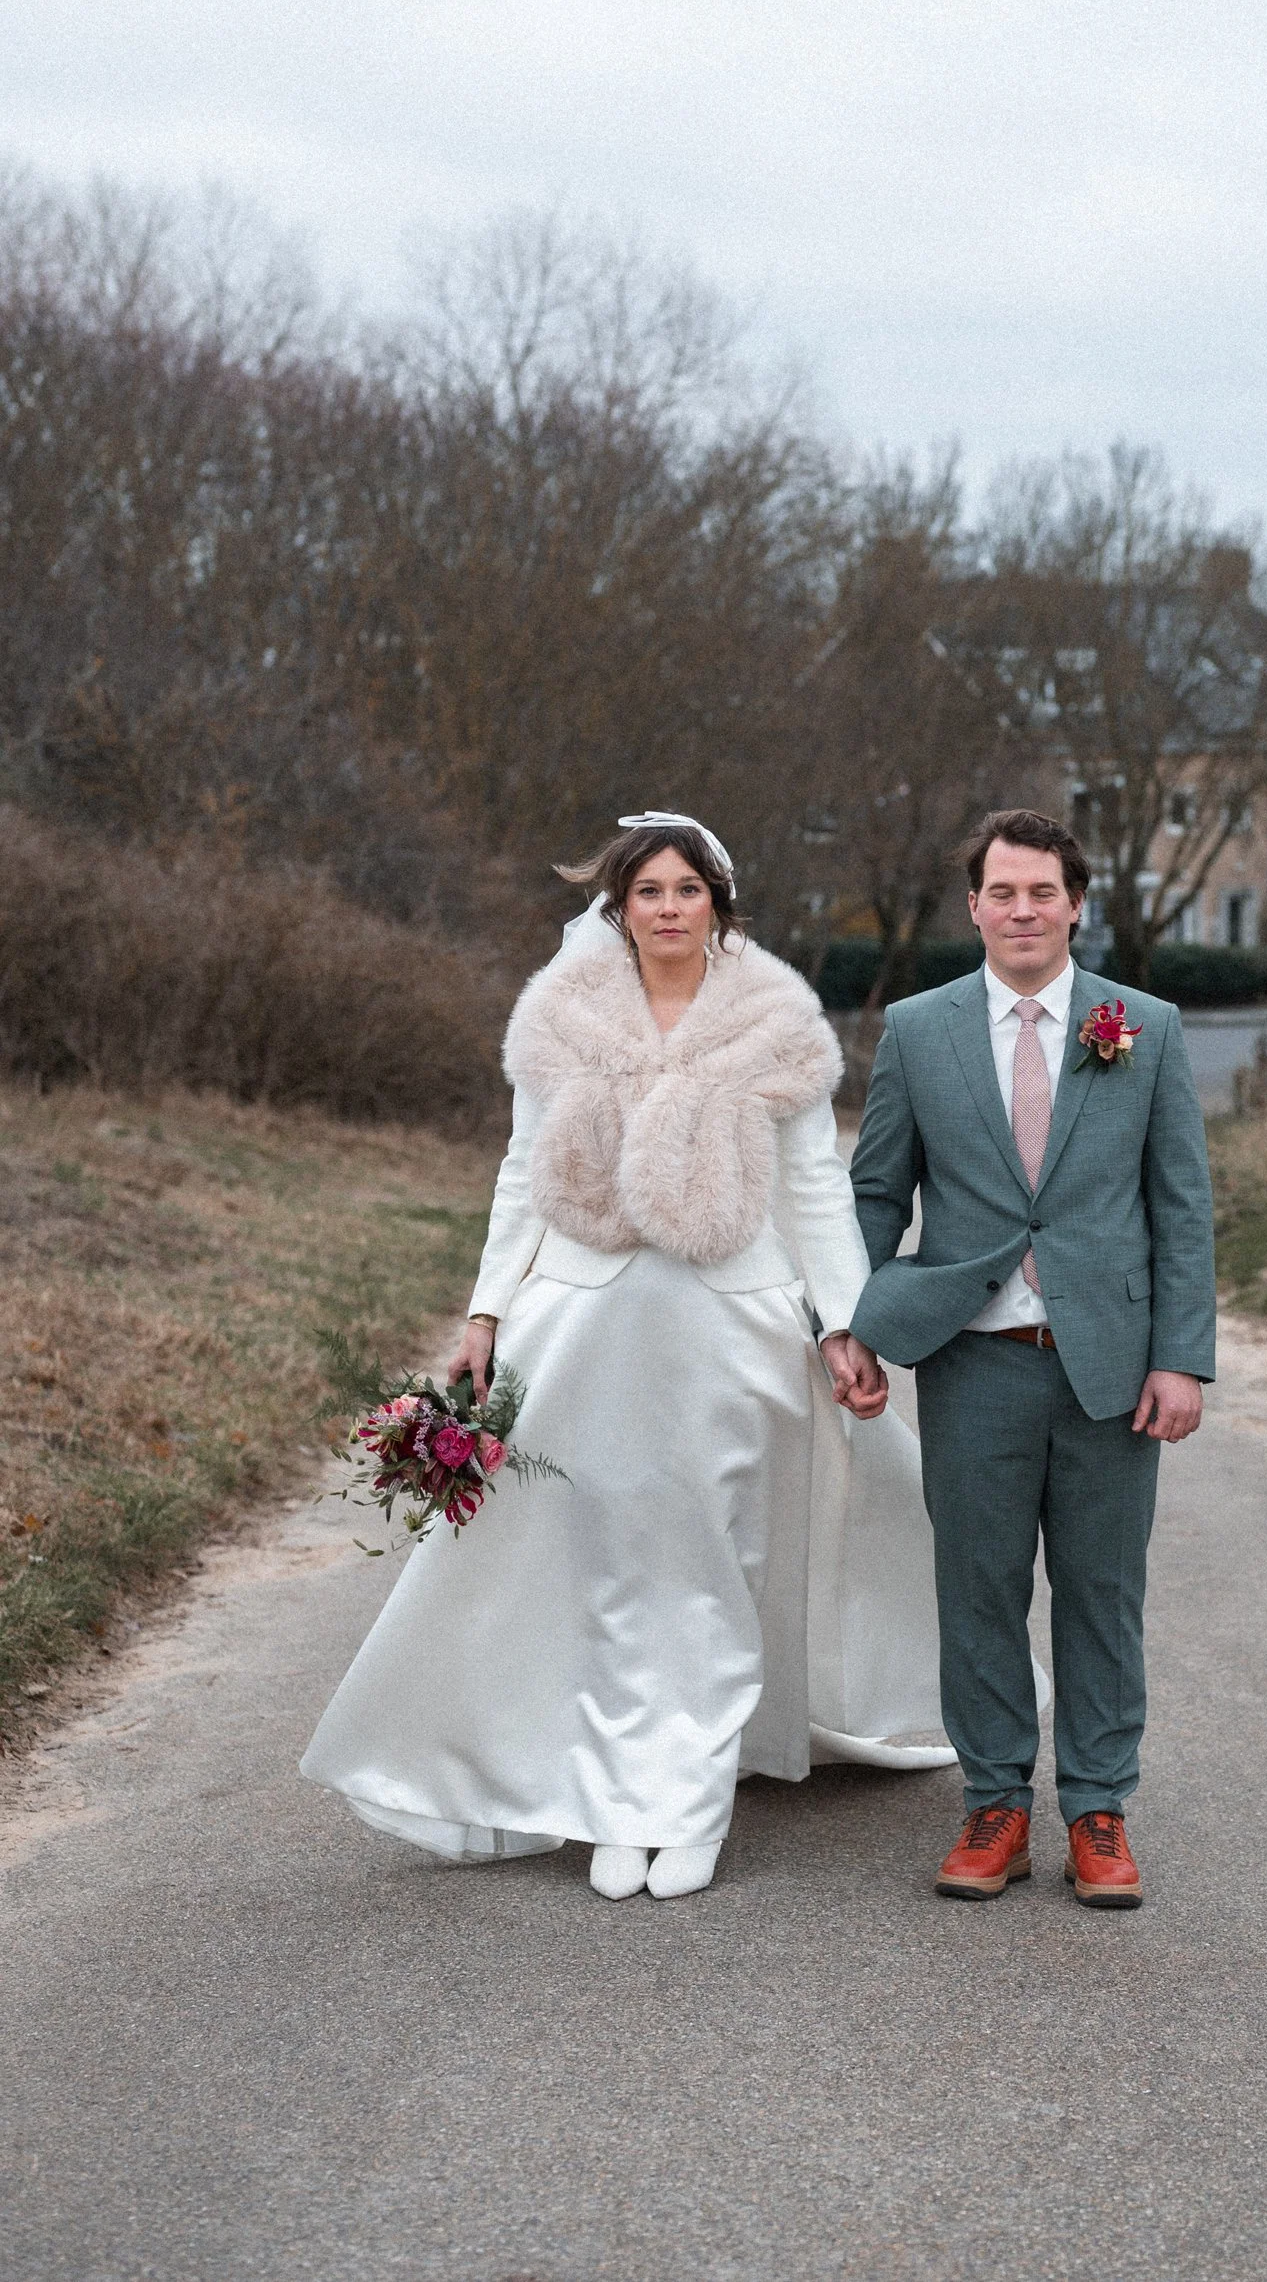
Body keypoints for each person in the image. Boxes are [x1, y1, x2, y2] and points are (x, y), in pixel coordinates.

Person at [303, 813, 951, 1900]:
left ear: (717, 902)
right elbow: (521, 1168)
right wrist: (484, 1311)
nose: (664, 907)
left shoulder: (777, 1024)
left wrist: (843, 1322)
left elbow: (811, 1187)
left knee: (710, 1562)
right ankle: (615, 1798)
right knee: (601, 1559)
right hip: (587, 1324)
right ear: (618, 906)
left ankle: (686, 1799)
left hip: (729, 1327)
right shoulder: (562, 1017)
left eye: (683, 889)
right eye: (644, 890)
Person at [848, 808, 1215, 1908]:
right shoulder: (917, 1030)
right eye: (1001, 893)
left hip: (1107, 1363)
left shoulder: (1138, 1024)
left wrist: (1181, 1358)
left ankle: (1097, 1808)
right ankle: (993, 1803)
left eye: (1041, 892)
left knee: (1102, 1594)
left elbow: (1179, 1207)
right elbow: (874, 1191)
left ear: (1073, 902)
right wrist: (853, 1326)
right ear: (973, 906)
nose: (1021, 910)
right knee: (978, 1589)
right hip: (971, 1359)